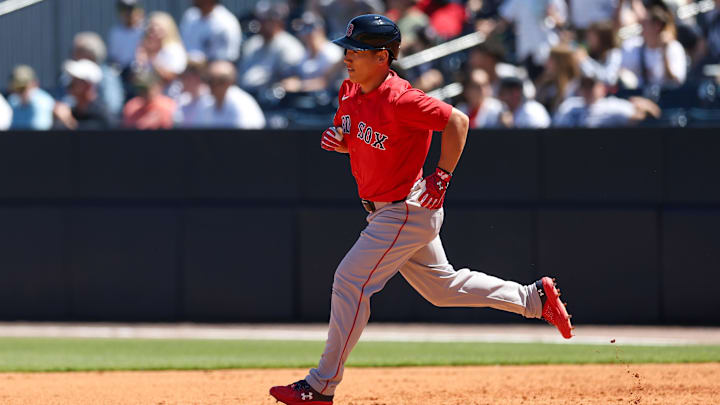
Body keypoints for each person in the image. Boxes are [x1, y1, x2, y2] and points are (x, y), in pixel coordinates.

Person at [268, 14, 573, 405]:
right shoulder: (351, 90)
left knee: (349, 280)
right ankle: (534, 299)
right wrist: (342, 143)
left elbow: (457, 122)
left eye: (356, 51)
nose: (347, 57)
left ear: (382, 57)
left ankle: (321, 385)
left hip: (404, 208)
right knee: (442, 288)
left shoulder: (401, 97)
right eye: (347, 49)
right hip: (385, 210)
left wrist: (442, 176)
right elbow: (359, 137)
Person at [238, 1, 305, 95]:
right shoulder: (253, 43)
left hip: (272, 99)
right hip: (246, 94)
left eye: (267, 20)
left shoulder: (290, 46)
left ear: (279, 22)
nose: (262, 24)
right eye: (261, 19)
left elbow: (291, 80)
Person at [496, 0, 568, 80]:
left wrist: (553, 16)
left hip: (550, 52)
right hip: (528, 52)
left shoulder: (556, 1)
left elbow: (563, 24)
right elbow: (504, 19)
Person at [619, 5, 687, 89]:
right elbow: (621, 69)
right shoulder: (635, 46)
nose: (642, 28)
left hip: (668, 98)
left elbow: (677, 81)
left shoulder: (673, 48)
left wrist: (664, 53)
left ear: (657, 26)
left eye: (645, 24)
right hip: (642, 96)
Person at [553, 74, 661, 127]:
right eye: (584, 86)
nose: (587, 90)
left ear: (602, 88)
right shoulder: (569, 105)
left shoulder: (613, 105)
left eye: (591, 86)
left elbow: (649, 116)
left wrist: (645, 104)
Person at [281, 12, 344, 93]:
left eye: (310, 31)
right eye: (304, 31)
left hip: (329, 99)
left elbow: (327, 82)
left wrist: (300, 85)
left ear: (321, 31)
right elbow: (299, 75)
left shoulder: (331, 52)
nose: (307, 35)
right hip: (308, 98)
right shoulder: (306, 52)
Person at [72, 31, 125, 118]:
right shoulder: (71, 73)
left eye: (78, 51)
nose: (74, 55)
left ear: (90, 54)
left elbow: (113, 107)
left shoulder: (107, 76)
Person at [198, 60, 265, 128]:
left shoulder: (242, 103)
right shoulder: (206, 101)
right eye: (209, 80)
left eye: (213, 81)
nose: (210, 85)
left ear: (228, 82)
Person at [53, 59, 113, 130]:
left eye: (76, 80)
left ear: (88, 85)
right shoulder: (71, 112)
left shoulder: (103, 115)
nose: (70, 83)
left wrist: (68, 121)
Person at [134, 12, 188, 89]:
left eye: (155, 29)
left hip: (174, 95)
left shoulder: (173, 49)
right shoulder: (151, 51)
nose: (151, 33)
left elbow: (170, 77)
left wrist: (152, 59)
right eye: (150, 30)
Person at [6, 65, 55, 130]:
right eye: (16, 89)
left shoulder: (42, 102)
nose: (19, 93)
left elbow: (38, 133)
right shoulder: (13, 101)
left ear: (35, 84)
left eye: (22, 88)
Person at [576, 21, 623, 86]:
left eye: (591, 38)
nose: (588, 41)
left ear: (603, 38)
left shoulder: (614, 54)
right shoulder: (594, 54)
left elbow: (609, 79)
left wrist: (585, 60)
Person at [536, 46, 581, 114]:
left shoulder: (574, 87)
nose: (546, 64)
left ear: (561, 63)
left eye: (550, 60)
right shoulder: (545, 84)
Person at [107, 0, 145, 71]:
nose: (128, 13)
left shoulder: (145, 31)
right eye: (124, 10)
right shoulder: (115, 32)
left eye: (131, 9)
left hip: (139, 70)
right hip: (121, 71)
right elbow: (113, 56)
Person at [174, 59, 212, 128]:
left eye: (184, 77)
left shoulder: (210, 101)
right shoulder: (183, 100)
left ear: (195, 78)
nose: (181, 80)